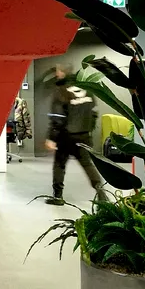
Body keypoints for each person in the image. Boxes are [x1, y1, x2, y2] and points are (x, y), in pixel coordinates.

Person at [45, 64, 106, 205]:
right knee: (87, 164)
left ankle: (58, 197)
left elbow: (57, 117)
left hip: (66, 136)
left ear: (62, 73)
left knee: (59, 165)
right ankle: (102, 194)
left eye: (58, 72)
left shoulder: (61, 91)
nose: (56, 74)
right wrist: (88, 129)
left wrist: (51, 138)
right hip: (84, 135)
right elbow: (94, 113)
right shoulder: (87, 90)